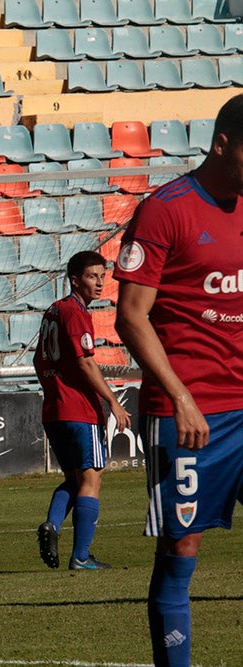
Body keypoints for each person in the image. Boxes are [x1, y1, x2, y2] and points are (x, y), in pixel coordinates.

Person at [114, 94, 243, 667]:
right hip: (189, 411)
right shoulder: (165, 209)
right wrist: (182, 397)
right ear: (223, 144)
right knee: (181, 548)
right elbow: (131, 316)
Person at [34, 251, 132, 571]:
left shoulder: (53, 311)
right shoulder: (75, 312)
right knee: (92, 477)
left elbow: (39, 361)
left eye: (103, 276)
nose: (101, 283)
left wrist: (53, 390)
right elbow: (86, 362)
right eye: (93, 276)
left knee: (75, 479)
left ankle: (51, 524)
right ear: (75, 280)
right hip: (79, 410)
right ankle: (81, 556)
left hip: (54, 410)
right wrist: (113, 401)